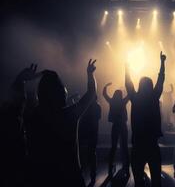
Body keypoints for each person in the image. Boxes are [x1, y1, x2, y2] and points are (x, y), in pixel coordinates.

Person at [26, 59, 97, 187]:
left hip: (43, 178)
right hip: (71, 178)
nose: (65, 90)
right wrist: (90, 74)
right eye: (62, 88)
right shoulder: (69, 115)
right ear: (59, 93)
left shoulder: (34, 117)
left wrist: (22, 80)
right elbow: (91, 93)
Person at [125, 51, 166, 187]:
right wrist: (162, 63)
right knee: (156, 181)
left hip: (138, 144)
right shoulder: (154, 97)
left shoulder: (135, 98)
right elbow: (161, 80)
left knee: (138, 181)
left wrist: (127, 67)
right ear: (150, 85)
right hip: (152, 144)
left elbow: (128, 83)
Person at [0, 64, 41, 187]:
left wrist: (21, 79)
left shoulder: (18, 119)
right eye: (23, 99)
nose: (24, 101)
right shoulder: (10, 121)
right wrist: (20, 79)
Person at [103, 82, 130, 176]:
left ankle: (110, 167)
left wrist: (105, 86)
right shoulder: (123, 102)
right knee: (125, 147)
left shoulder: (112, 101)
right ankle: (126, 167)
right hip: (123, 125)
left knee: (113, 147)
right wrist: (128, 88)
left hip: (115, 126)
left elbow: (104, 95)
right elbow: (129, 95)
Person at [78, 99, 101, 187]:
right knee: (92, 153)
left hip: (85, 132)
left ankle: (82, 173)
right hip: (93, 132)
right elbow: (98, 117)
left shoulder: (86, 106)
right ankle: (93, 175)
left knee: (82, 153)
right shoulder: (97, 106)